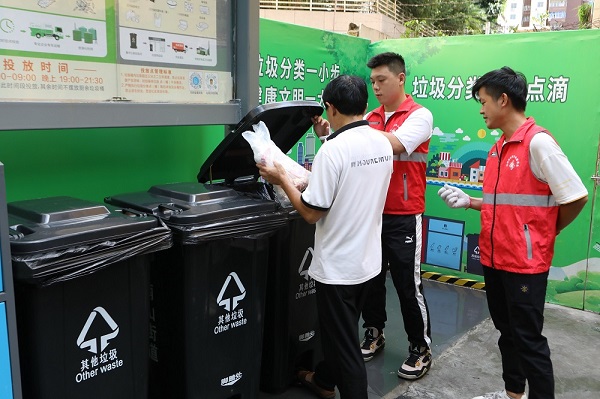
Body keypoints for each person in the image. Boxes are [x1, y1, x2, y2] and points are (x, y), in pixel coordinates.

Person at [438, 66, 588, 399]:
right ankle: (513, 394)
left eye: (484, 101)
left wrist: (544, 233)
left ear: (503, 100)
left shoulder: (538, 143)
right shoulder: (499, 148)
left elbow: (576, 196)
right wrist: (470, 201)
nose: (481, 109)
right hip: (495, 259)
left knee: (528, 341)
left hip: (524, 265)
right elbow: (508, 204)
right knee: (507, 333)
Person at [257, 75, 393, 399]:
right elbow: (351, 174)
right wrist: (325, 138)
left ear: (330, 107)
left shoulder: (332, 152)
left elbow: (310, 213)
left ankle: (340, 385)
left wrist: (281, 177)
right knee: (340, 336)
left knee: (347, 352)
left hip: (338, 271)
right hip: (369, 264)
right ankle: (322, 381)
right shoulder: (382, 143)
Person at [360, 51, 434, 380]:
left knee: (408, 286)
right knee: (371, 282)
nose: (375, 87)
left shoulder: (419, 116)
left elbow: (396, 145)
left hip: (405, 217)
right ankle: (374, 332)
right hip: (371, 215)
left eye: (382, 80)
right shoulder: (370, 117)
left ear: (400, 78)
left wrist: (351, 132)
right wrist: (329, 133)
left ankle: (420, 348)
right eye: (372, 81)